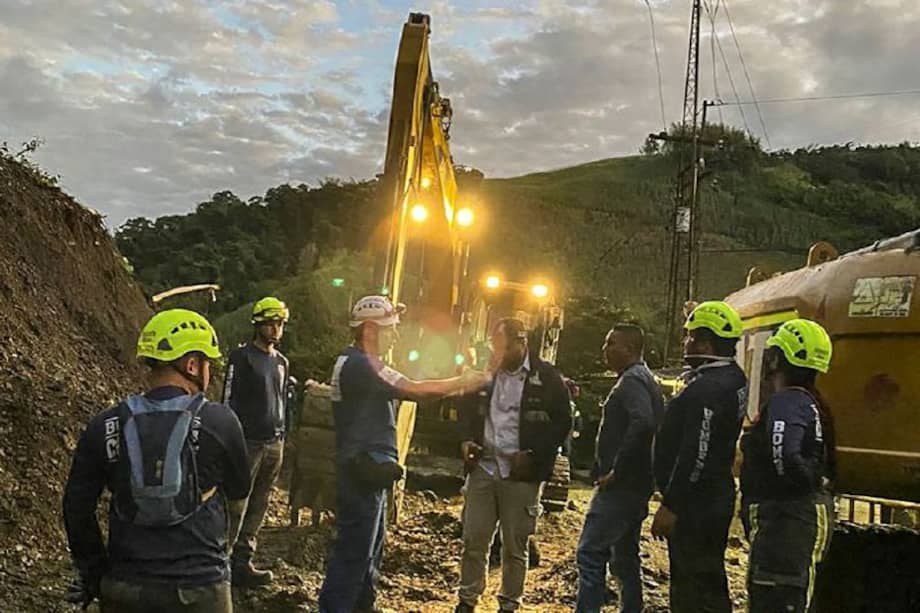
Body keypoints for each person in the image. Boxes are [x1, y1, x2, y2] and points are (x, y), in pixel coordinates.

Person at [63, 309, 250, 612]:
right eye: (207, 363)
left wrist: (96, 572)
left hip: (126, 587)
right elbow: (240, 491)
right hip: (200, 588)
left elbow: (76, 508)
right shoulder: (220, 421)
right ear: (191, 364)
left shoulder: (106, 425)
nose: (209, 372)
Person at [319, 295, 489, 613]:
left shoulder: (359, 361)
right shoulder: (361, 365)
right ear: (370, 330)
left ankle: (361, 607)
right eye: (390, 329)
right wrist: (462, 381)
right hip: (362, 470)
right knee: (355, 552)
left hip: (370, 468)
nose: (395, 335)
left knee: (370, 550)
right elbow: (415, 389)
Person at [454, 318, 572, 613]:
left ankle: (509, 604)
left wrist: (535, 455)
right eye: (494, 347)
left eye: (503, 348)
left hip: (521, 476)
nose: (498, 354)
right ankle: (467, 600)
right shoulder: (485, 375)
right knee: (474, 539)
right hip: (484, 467)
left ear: (521, 344)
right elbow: (465, 410)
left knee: (515, 546)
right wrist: (467, 440)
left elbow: (562, 424)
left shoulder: (546, 379)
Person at [652, 301, 748, 613]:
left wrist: (672, 505)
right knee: (709, 579)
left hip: (697, 505)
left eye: (690, 336)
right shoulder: (734, 377)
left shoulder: (706, 390)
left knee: (692, 586)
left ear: (705, 343)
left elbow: (697, 452)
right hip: (715, 496)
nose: (686, 342)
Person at [740, 319, 836, 613]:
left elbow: (785, 456)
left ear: (778, 359)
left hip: (786, 524)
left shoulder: (787, 402)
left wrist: (802, 481)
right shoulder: (810, 402)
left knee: (776, 597)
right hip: (796, 521)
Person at [575, 324, 664, 613]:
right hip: (636, 486)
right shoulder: (645, 379)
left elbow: (643, 422)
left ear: (629, 348)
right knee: (625, 558)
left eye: (611, 343)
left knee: (590, 553)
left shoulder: (632, 382)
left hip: (621, 488)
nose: (605, 350)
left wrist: (617, 469)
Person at [223, 296, 290, 588]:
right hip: (247, 442)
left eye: (280, 323)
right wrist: (228, 437)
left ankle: (242, 561)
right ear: (258, 324)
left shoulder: (282, 362)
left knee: (260, 503)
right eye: (271, 323)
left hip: (274, 442)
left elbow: (284, 400)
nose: (276, 329)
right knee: (236, 503)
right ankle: (219, 563)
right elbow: (227, 399)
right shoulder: (241, 358)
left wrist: (285, 434)